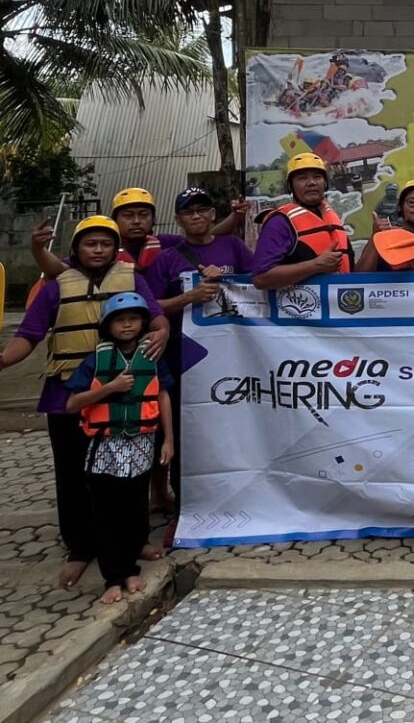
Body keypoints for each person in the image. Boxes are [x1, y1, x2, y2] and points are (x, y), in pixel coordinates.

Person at [0, 216, 168, 588]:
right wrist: (3, 360)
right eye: (90, 243)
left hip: (124, 394)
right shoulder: (54, 287)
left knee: (129, 474)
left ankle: (134, 540)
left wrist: (163, 332)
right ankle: (80, 547)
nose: (98, 250)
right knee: (73, 475)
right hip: (69, 394)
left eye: (105, 244)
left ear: (115, 248)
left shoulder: (132, 279)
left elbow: (156, 319)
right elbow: (28, 335)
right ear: (75, 249)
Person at [144, 188, 253, 526]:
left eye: (202, 209)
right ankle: (186, 504)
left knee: (234, 426)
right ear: (178, 219)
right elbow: (149, 307)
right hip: (184, 359)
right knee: (186, 429)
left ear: (212, 214)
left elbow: (259, 284)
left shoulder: (233, 246)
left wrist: (230, 279)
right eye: (188, 212)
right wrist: (188, 297)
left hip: (235, 357)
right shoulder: (166, 259)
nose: (196, 216)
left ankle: (240, 495)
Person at [64, 293, 175, 604]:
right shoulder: (95, 361)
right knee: (107, 512)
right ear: (107, 326)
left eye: (133, 319)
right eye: (120, 320)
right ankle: (112, 577)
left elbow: (162, 396)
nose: (127, 325)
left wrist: (169, 439)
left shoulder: (152, 356)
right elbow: (72, 403)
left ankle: (130, 569)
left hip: (141, 444)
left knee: (134, 508)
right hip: (105, 446)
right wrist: (111, 387)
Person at [31, 188, 247, 278]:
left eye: (143, 214)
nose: (136, 221)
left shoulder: (165, 244)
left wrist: (235, 217)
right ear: (115, 220)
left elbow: (205, 235)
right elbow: (58, 269)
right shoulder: (102, 249)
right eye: (128, 215)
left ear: (153, 219)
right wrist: (38, 248)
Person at [250, 153, 355, 289]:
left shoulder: (333, 220)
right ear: (291, 186)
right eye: (302, 178)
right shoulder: (279, 222)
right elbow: (260, 279)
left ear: (325, 183)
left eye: (317, 177)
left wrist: (375, 241)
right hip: (301, 302)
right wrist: (315, 265)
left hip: (341, 301)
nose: (311, 183)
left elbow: (354, 272)